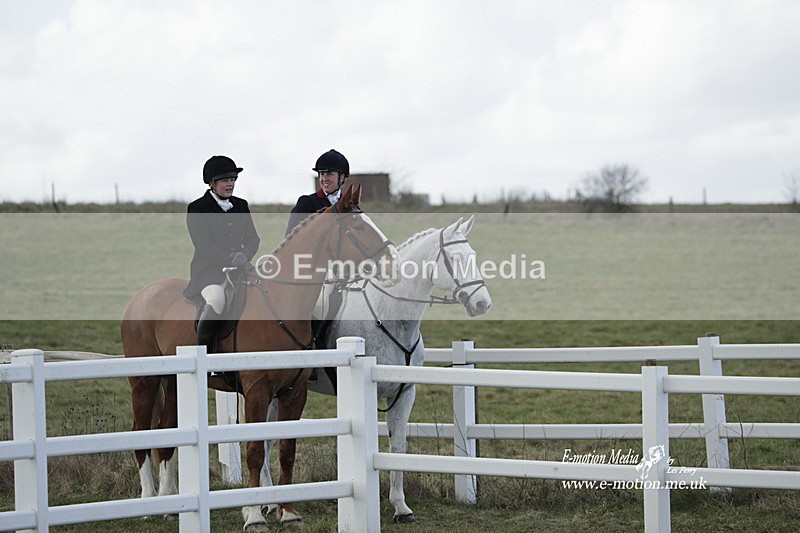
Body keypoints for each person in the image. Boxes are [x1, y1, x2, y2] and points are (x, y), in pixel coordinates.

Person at [183, 155, 260, 354]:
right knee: (217, 299)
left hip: (241, 269)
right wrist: (230, 259)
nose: (230, 184)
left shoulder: (241, 205)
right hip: (210, 272)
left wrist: (244, 255)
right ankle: (205, 355)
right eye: (226, 180)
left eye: (233, 179)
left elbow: (253, 239)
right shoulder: (197, 208)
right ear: (212, 183)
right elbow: (203, 245)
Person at [285, 148, 350, 236]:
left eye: (329, 174)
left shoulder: (350, 206)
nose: (324, 179)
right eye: (322, 174)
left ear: (341, 177)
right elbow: (290, 240)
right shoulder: (306, 204)